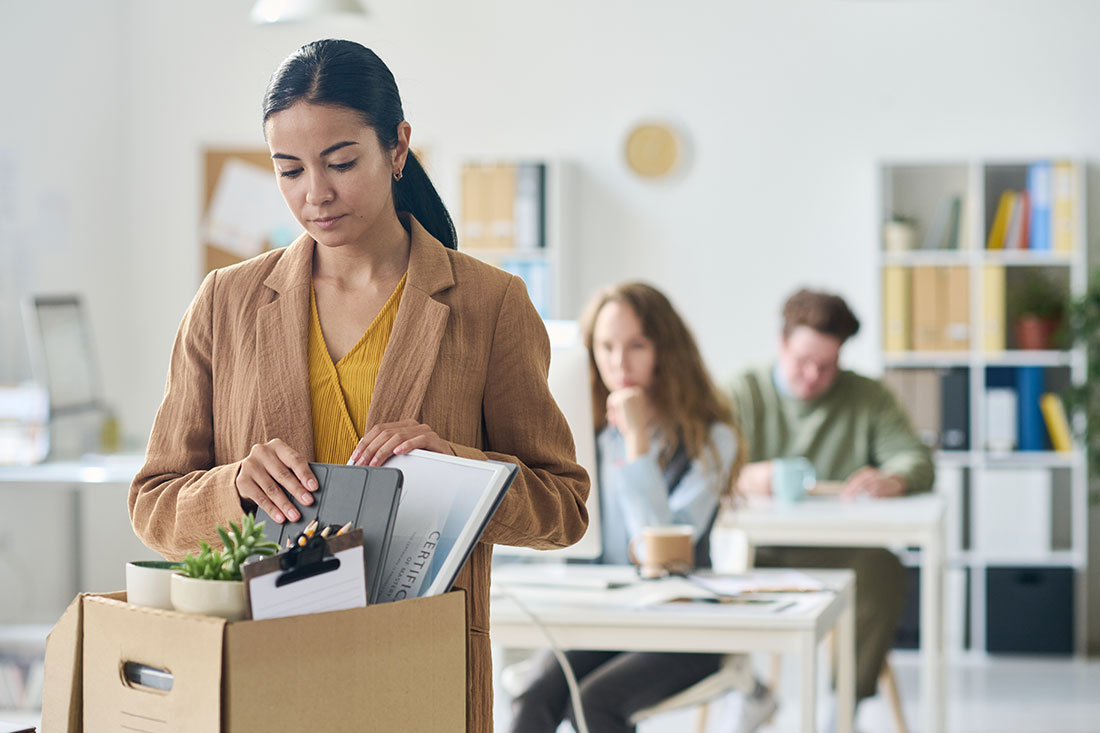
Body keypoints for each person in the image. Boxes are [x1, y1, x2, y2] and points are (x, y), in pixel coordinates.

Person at [128, 39, 589, 731]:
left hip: (421, 673)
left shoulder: (490, 304)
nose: (315, 193)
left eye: (341, 162)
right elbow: (154, 502)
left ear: (398, 147)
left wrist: (456, 466)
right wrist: (234, 489)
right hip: (263, 671)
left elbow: (564, 505)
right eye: (289, 170)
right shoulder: (225, 302)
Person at [508, 283, 776, 733]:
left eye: (637, 345)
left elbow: (663, 555)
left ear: (665, 350)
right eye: (606, 347)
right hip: (605, 616)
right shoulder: (585, 432)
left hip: (685, 626)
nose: (619, 363)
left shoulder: (713, 441)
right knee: (534, 696)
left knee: (594, 705)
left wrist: (637, 446)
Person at [727, 287, 934, 709]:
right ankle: (746, 688)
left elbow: (915, 458)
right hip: (752, 550)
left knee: (885, 570)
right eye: (803, 361)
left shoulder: (867, 396)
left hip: (837, 550)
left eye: (827, 365)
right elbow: (700, 466)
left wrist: (893, 479)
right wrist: (746, 477)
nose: (812, 376)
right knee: (701, 569)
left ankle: (844, 707)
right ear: (780, 342)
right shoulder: (742, 393)